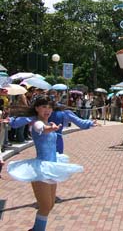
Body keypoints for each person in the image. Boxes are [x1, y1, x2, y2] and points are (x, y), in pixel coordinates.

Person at [7, 95, 83, 231]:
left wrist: (52, 127)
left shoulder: (49, 123)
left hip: (52, 167)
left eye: (49, 107)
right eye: (43, 107)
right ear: (37, 108)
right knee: (45, 205)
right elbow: (39, 127)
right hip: (41, 169)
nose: (47, 110)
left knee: (51, 204)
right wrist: (48, 129)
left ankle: (36, 229)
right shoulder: (37, 122)